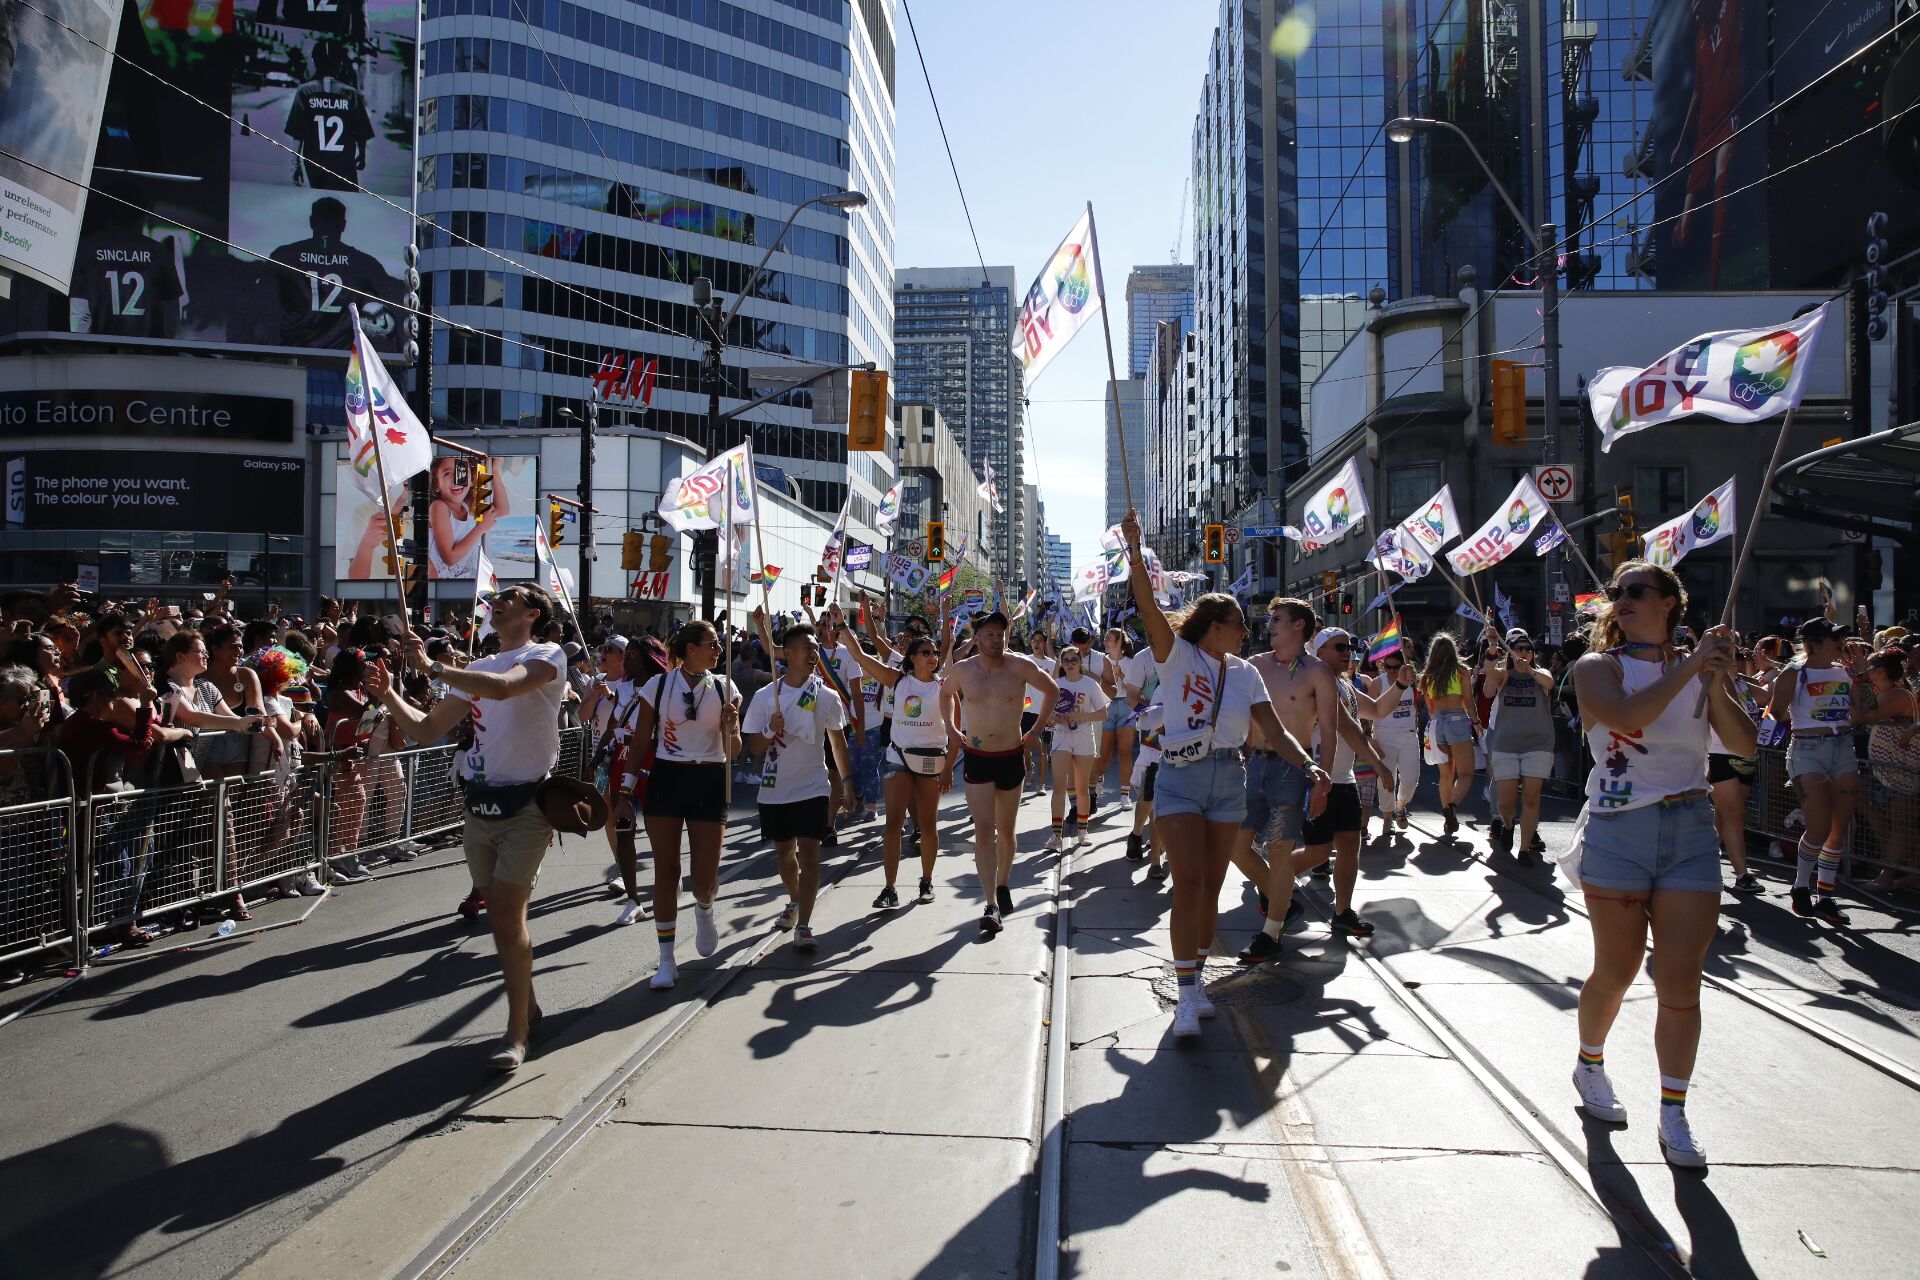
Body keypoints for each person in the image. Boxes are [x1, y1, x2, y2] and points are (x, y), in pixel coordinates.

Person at [1569, 560, 1752, 1169]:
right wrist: (1693, 666)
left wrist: (1717, 680)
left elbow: (1746, 747)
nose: (1621, 600)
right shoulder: (1598, 667)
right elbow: (1627, 718)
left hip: (1690, 828)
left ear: (1670, 603)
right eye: (1616, 594)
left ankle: (1673, 1110)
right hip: (1619, 829)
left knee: (1680, 981)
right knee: (1615, 972)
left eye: (1636, 592)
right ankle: (1589, 1062)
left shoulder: (1698, 668)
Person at [1120, 511, 1326, 1037]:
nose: (1247, 630)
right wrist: (1135, 546)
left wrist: (1309, 765)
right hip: (1181, 777)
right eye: (1239, 623)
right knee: (1187, 882)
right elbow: (1147, 604)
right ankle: (1187, 994)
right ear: (1217, 626)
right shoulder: (1176, 654)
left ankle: (1197, 982)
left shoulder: (1246, 672)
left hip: (1227, 780)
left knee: (1210, 887)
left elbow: (1274, 731)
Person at [368, 584, 568, 1072]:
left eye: (511, 597)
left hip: (528, 806)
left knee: (504, 915)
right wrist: (390, 694)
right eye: (496, 596)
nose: (498, 601)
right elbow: (425, 729)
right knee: (502, 917)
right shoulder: (476, 667)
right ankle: (530, 1005)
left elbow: (505, 688)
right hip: (479, 807)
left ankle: (517, 1032)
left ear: (532, 612)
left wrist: (434, 667)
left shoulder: (547, 654)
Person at [632, 621, 742, 988]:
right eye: (712, 644)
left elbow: (734, 752)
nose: (719, 650)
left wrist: (731, 727)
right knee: (666, 872)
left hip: (709, 779)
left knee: (705, 878)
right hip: (667, 778)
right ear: (690, 648)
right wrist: (624, 790)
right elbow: (641, 740)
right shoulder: (659, 685)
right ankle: (666, 960)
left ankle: (705, 907)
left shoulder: (725, 686)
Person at [1234, 597, 1340, 961]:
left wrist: (1321, 782)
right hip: (1253, 766)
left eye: (1277, 618)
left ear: (1299, 625)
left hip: (1293, 771)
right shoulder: (1254, 665)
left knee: (1280, 855)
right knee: (1235, 847)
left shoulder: (1317, 671)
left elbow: (1329, 730)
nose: (1270, 624)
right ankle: (1284, 902)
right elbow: (1240, 716)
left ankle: (1271, 932)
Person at [941, 611, 1058, 936]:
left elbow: (1052, 691)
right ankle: (991, 902)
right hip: (977, 757)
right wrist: (951, 728)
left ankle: (1003, 883)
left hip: (1010, 757)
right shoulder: (963, 670)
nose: (996, 639)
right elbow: (945, 693)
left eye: (1001, 634)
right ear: (976, 638)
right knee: (983, 831)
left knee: (1006, 832)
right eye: (989, 634)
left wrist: (1035, 731)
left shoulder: (1019, 665)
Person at [742, 623, 851, 952]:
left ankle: (803, 924)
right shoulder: (766, 697)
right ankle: (793, 900)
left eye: (816, 647)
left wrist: (846, 783)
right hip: (776, 789)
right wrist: (769, 728)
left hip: (813, 786)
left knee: (810, 855)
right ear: (786, 654)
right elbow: (754, 748)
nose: (813, 653)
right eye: (806, 647)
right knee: (784, 854)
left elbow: (838, 742)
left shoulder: (827, 696)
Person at [1286, 628, 1396, 938]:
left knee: (1350, 846)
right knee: (1318, 853)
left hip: (1344, 779)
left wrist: (1400, 684)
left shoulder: (1346, 684)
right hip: (1319, 777)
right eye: (1339, 647)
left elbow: (1375, 710)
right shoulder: (1316, 682)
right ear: (1320, 652)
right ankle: (1270, 882)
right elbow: (1348, 729)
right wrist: (1377, 763)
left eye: (1349, 646)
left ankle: (1343, 911)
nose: (1347, 651)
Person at [845, 602, 954, 908]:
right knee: (893, 824)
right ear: (912, 658)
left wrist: (948, 769)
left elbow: (954, 729)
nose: (932, 658)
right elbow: (861, 656)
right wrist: (843, 628)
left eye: (934, 653)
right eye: (926, 653)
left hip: (931, 760)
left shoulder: (944, 688)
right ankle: (890, 887)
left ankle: (926, 881)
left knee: (929, 825)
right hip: (899, 758)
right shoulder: (898, 680)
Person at [1766, 617, 1859, 925]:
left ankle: (1826, 896)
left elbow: (1863, 712)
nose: (1841, 643)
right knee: (1818, 826)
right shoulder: (1794, 673)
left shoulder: (1844, 671)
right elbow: (1774, 713)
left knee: (1838, 827)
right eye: (1835, 638)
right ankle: (1801, 885)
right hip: (1808, 751)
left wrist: (1862, 677)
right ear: (1814, 644)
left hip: (1843, 748)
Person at [1484, 627, 1557, 866]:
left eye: (1528, 650)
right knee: (1505, 803)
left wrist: (1531, 670)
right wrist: (1493, 645)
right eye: (1519, 649)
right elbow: (1489, 675)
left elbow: (1549, 682)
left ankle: (1524, 849)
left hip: (1538, 744)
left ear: (1533, 654)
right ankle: (1506, 824)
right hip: (1506, 743)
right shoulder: (1505, 676)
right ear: (1511, 652)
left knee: (1531, 798)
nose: (1524, 653)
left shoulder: (1541, 673)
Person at [1707, 646, 1768, 894]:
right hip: (1719, 755)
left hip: (1746, 755)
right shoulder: (1711, 685)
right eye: (1729, 659)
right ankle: (1742, 874)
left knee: (1724, 816)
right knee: (1734, 815)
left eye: (1740, 658)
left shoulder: (1744, 686)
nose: (1737, 662)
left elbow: (1768, 694)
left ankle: (1702, 859)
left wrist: (1769, 664)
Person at [1857, 649, 1919, 889]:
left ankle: (1886, 876)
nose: (1868, 673)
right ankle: (1908, 870)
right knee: (1895, 823)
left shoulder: (1898, 694)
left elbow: (1869, 713)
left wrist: (1860, 676)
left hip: (1900, 769)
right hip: (1884, 769)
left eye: (1870, 668)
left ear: (1881, 671)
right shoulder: (1884, 692)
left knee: (1901, 824)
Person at [1044, 644, 1109, 851]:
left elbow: (1102, 714)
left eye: (1074, 660)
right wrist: (1054, 719)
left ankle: (1083, 831)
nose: (1070, 664)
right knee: (1059, 787)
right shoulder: (1056, 684)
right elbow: (1046, 714)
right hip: (1062, 737)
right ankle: (1056, 835)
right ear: (1061, 663)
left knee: (1082, 787)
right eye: (1066, 660)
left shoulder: (1090, 685)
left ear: (1080, 662)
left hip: (1083, 737)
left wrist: (1080, 716)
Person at [1422, 631, 1480, 835]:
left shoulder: (1428, 676)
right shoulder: (1462, 671)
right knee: (1466, 773)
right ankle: (1452, 806)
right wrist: (1477, 723)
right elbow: (1469, 702)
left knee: (1445, 775)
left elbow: (1429, 709)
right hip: (1457, 720)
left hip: (1436, 723)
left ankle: (1449, 821)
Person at [1365, 644, 1421, 830]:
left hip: (1408, 735)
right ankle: (1387, 816)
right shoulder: (1378, 683)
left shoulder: (1412, 680)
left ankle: (1401, 805)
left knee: (1411, 778)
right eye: (1387, 667)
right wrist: (1371, 738)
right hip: (1384, 735)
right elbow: (1367, 713)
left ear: (1403, 666)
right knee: (1385, 780)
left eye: (1395, 667)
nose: (1391, 671)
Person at [427, 457, 506, 580]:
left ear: (472, 479)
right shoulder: (439, 507)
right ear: (436, 484)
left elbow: (502, 509)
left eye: (462, 471)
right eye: (447, 473)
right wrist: (480, 528)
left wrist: (495, 470)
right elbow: (450, 558)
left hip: (468, 579)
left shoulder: (466, 505)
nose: (456, 479)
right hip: (445, 584)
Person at [1093, 628, 1138, 809]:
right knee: (1103, 754)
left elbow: (1136, 689)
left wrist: (1121, 676)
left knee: (1125, 752)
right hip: (1106, 706)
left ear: (1120, 643)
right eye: (1104, 639)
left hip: (1126, 706)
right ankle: (1097, 782)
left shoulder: (1131, 662)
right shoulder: (1101, 661)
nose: (1105, 642)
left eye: (1109, 639)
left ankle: (1125, 795)